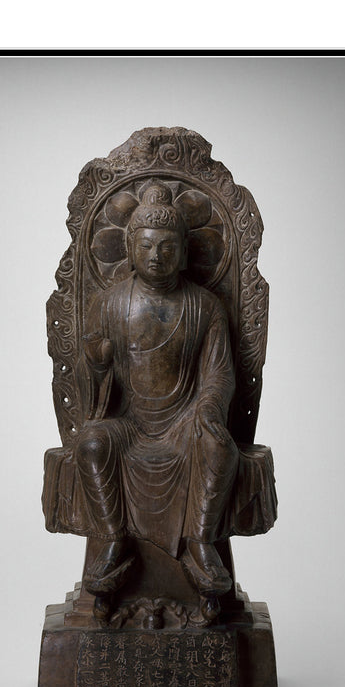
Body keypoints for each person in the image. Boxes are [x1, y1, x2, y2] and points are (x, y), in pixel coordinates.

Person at [73, 183, 239, 621]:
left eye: (167, 247)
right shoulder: (109, 304)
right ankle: (114, 540)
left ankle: (200, 542)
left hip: (183, 422)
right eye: (146, 246)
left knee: (218, 446)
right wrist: (98, 366)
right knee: (91, 443)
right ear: (130, 249)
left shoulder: (205, 307)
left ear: (183, 253)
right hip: (130, 424)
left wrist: (207, 408)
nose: (156, 256)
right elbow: (94, 393)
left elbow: (219, 374)